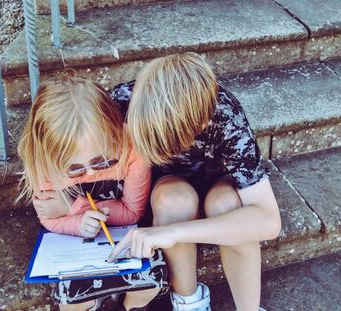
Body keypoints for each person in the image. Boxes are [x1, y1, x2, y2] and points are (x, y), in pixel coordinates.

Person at [108, 53, 282, 311]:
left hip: (218, 185)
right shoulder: (123, 102)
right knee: (173, 200)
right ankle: (189, 302)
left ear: (201, 124)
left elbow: (268, 221)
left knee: (227, 205)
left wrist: (174, 232)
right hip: (165, 192)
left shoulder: (223, 115)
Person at [17, 76, 168, 311]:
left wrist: (71, 207)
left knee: (149, 284)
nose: (88, 173)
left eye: (101, 162)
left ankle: (125, 306)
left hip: (127, 236)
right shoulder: (42, 162)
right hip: (76, 244)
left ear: (115, 132)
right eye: (74, 169)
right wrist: (77, 222)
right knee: (72, 303)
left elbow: (132, 213)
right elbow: (48, 219)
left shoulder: (133, 150)